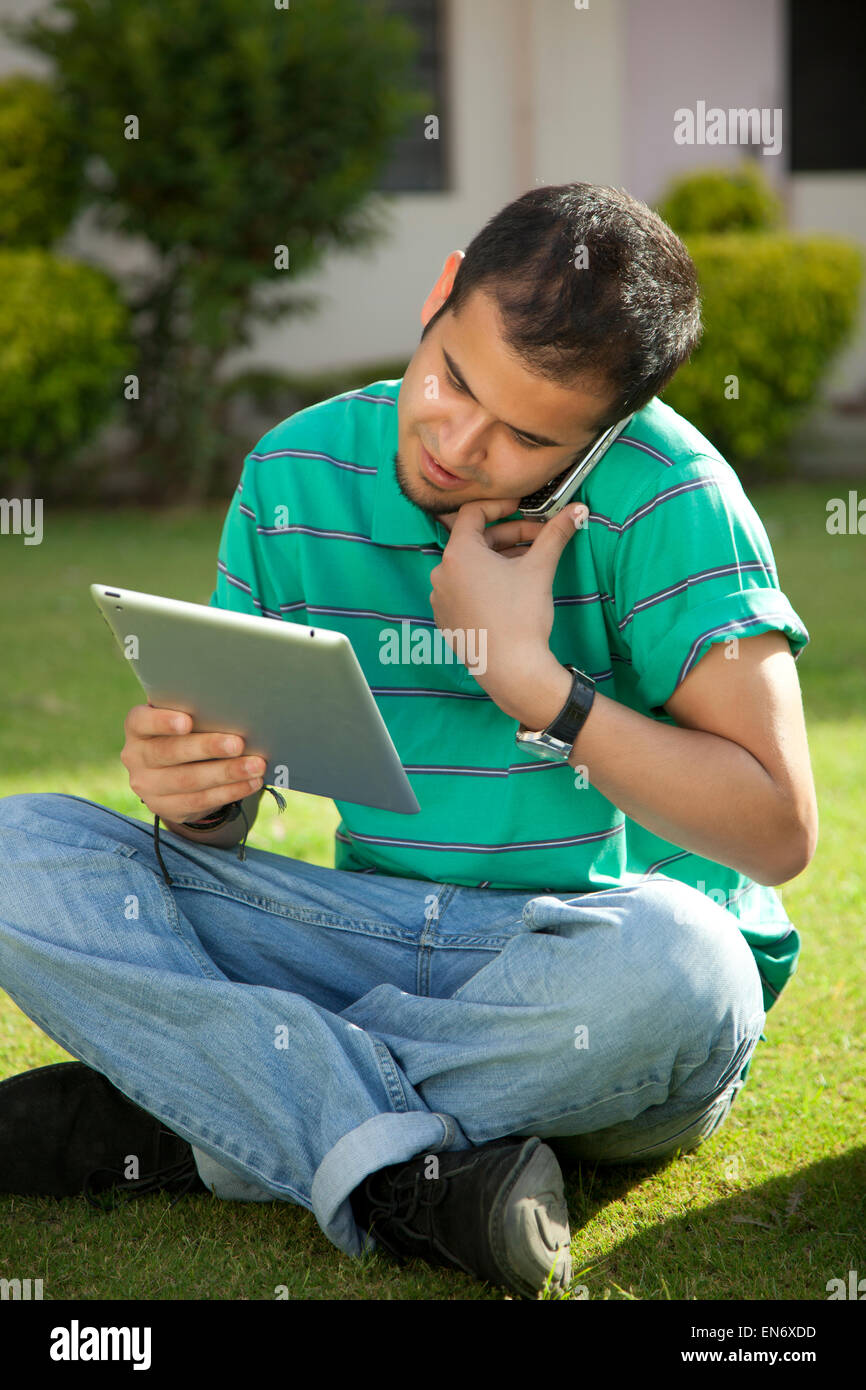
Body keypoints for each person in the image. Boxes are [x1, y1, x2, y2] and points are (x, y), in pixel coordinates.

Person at [0, 183, 817, 1301]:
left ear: (606, 432)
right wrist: (196, 796)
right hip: (369, 935)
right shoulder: (296, 475)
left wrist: (532, 681)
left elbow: (775, 831)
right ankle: (393, 1162)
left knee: (694, 966)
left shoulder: (675, 500)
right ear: (438, 297)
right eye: (450, 378)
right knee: (20, 850)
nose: (455, 443)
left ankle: (201, 1114)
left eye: (526, 438)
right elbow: (237, 808)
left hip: (593, 967)